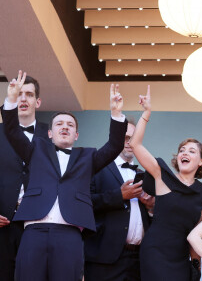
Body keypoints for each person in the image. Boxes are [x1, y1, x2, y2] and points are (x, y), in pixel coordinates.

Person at [1, 71, 128, 281]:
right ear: (49, 133)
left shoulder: (88, 157)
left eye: (70, 125)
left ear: (76, 135)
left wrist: (116, 113)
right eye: (59, 124)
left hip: (70, 233)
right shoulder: (35, 150)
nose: (65, 127)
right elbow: (12, 131)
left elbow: (115, 145)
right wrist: (12, 99)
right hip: (34, 231)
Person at [129, 86, 202, 281]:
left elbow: (196, 230)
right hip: (155, 251)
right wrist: (146, 113)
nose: (184, 153)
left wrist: (196, 264)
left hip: (181, 257)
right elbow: (135, 145)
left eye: (192, 151)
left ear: (201, 161)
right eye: (182, 150)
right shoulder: (161, 175)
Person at [84, 121, 155, 281]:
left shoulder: (144, 173)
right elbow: (84, 203)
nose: (130, 143)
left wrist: (151, 207)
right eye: (126, 138)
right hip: (104, 259)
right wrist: (119, 195)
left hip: (138, 259)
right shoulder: (97, 168)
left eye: (134, 138)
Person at [0, 71, 49, 281]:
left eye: (28, 94)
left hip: (38, 224)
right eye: (19, 94)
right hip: (2, 224)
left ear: (37, 102)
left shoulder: (51, 135)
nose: (23, 99)